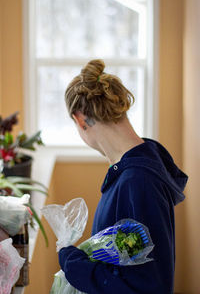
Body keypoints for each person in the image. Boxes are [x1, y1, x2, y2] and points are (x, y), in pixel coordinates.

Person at [58, 59, 188, 294]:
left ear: (80, 119)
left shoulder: (138, 183)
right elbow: (128, 260)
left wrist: (74, 266)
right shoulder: (132, 171)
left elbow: (147, 287)